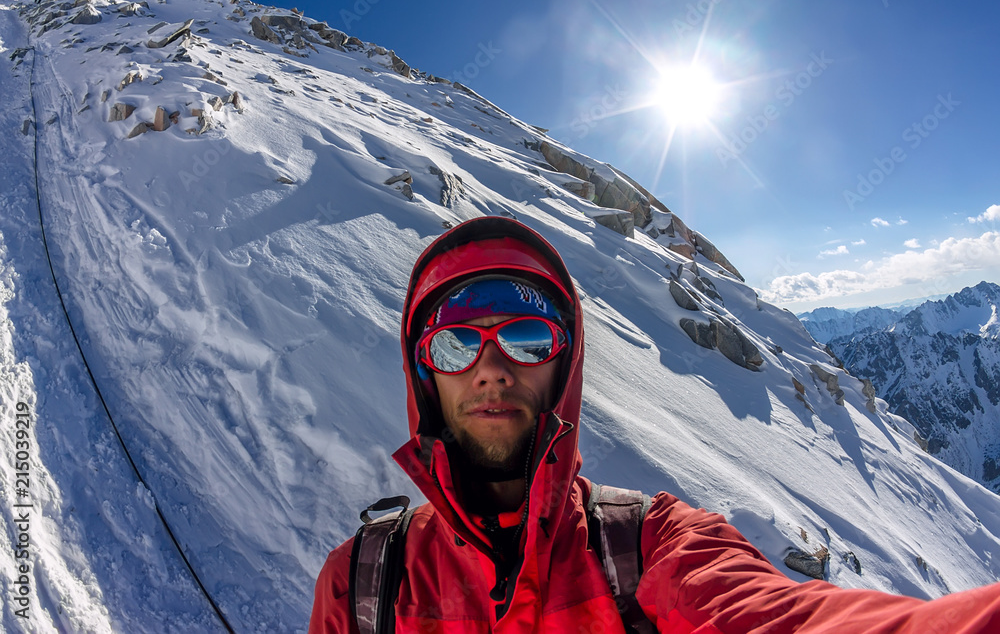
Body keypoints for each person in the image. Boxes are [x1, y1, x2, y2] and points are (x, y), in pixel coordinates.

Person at [310, 216, 1000, 632]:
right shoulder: (363, 581)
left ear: (564, 367)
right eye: (457, 342)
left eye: (526, 336)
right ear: (424, 372)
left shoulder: (650, 546)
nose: (491, 368)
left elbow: (778, 617)